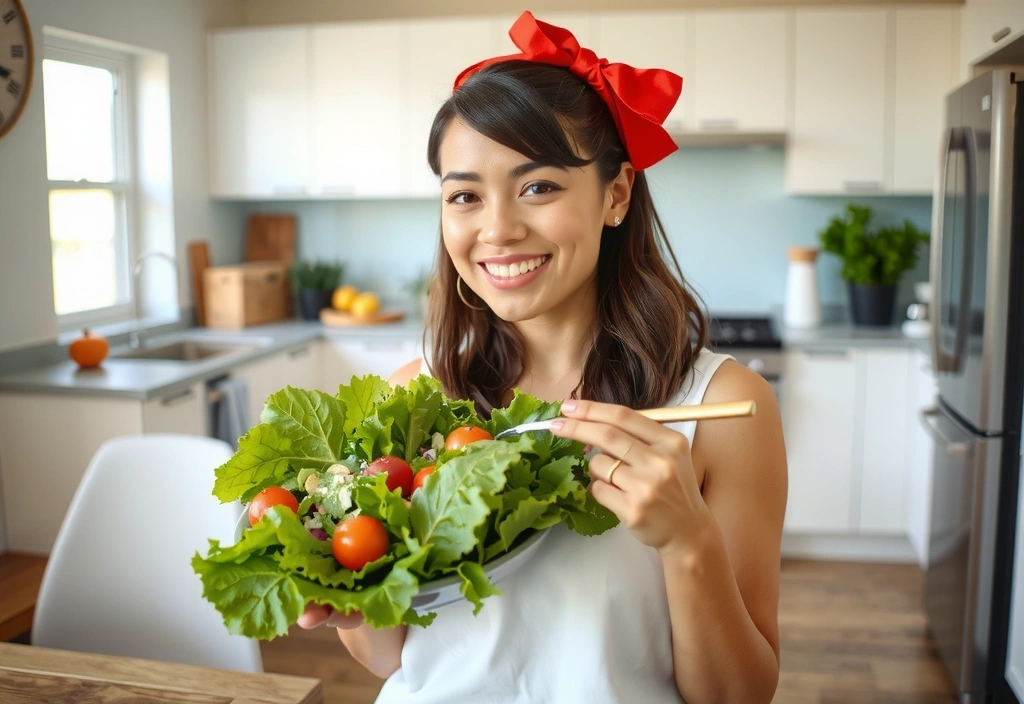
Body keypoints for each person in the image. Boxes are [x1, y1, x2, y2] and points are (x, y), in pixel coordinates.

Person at [299, 11, 787, 703]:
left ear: (615, 195)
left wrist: (688, 544)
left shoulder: (723, 408)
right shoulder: (409, 401)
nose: (497, 229)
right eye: (464, 195)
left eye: (538, 187)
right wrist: (350, 594)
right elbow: (392, 660)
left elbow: (741, 695)